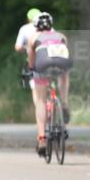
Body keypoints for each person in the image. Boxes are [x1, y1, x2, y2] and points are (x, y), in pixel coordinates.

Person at [27, 12, 72, 156]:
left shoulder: (34, 37)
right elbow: (65, 54)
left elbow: (31, 62)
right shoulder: (61, 36)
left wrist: (31, 70)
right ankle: (64, 103)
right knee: (64, 75)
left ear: (36, 26)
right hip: (61, 63)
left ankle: (42, 139)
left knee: (40, 100)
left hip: (43, 64)